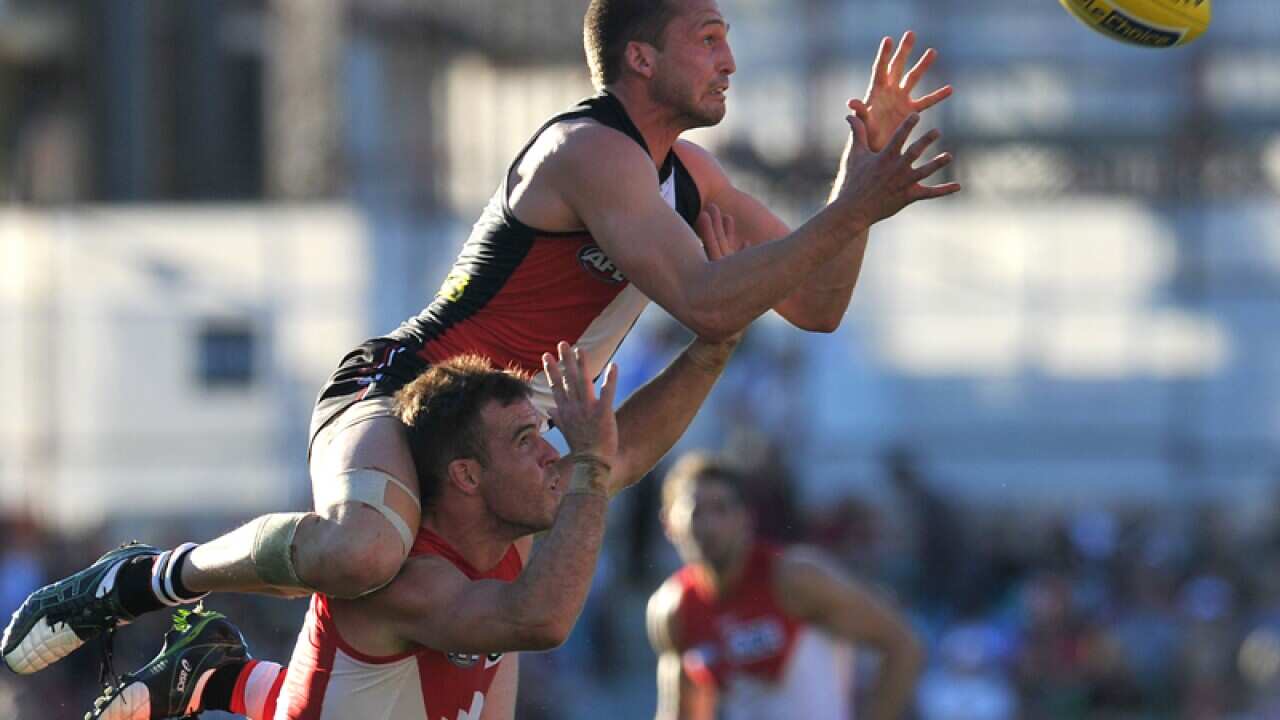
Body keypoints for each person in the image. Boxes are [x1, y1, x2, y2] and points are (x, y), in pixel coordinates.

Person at [3, 0, 957, 678]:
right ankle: (142, 580)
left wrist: (854, 181)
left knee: (540, 559)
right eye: (709, 39)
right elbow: (711, 301)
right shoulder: (588, 150)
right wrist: (847, 213)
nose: (730, 61)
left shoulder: (691, 177)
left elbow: (817, 305)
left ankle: (212, 682)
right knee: (363, 554)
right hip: (403, 390)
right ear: (638, 58)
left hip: (507, 426)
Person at [88, 334, 739, 720]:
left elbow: (621, 454)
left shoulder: (509, 515)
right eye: (525, 441)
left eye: (547, 437)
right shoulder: (409, 581)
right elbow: (542, 619)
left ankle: (220, 673)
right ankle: (178, 599)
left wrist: (717, 342)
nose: (552, 454)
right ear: (464, 476)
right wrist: (593, 460)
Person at [648, 453, 924, 720]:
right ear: (669, 523)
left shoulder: (794, 578)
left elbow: (904, 645)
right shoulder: (674, 608)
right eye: (696, 512)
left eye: (722, 509)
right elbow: (681, 714)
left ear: (746, 518)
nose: (709, 526)